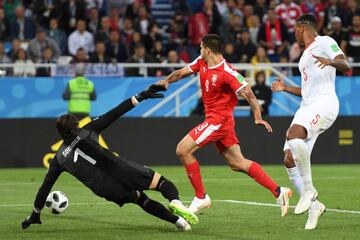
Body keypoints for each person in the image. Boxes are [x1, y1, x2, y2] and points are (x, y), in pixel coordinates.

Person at [21, 84, 198, 231]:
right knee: (160, 182)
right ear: (76, 124)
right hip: (120, 169)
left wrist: (35, 214)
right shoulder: (87, 130)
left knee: (140, 199)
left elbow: (45, 187)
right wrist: (142, 95)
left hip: (105, 189)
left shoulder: (59, 158)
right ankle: (176, 203)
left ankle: (180, 223)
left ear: (60, 134)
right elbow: (115, 113)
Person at [156, 34, 292, 216]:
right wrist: (167, 81)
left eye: (201, 48)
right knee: (238, 163)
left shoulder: (228, 73)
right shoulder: (202, 62)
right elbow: (181, 73)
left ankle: (201, 196)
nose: (199, 51)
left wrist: (258, 117)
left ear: (208, 50)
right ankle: (279, 192)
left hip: (218, 122)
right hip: (220, 122)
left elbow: (249, 94)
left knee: (182, 150)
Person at [271, 14, 351, 230]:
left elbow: (345, 64)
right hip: (307, 106)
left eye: (295, 30)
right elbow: (307, 92)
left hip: (324, 104)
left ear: (301, 27)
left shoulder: (325, 42)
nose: (294, 34)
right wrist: (285, 88)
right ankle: (315, 206)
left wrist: (331, 61)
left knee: (293, 135)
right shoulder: (305, 55)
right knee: (288, 158)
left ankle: (309, 191)